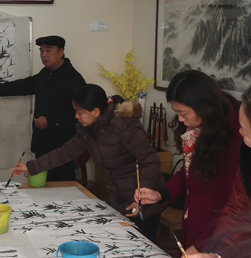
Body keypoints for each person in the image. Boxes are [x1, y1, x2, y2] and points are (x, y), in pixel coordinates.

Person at [14, 84, 166, 240]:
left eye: (80, 112)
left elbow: (151, 161)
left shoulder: (123, 125)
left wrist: (141, 199)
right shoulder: (88, 129)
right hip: (119, 198)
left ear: (96, 112)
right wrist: (30, 167)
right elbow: (63, 153)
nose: (76, 116)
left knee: (143, 245)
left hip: (144, 200)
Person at [135, 70, 241, 252]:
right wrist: (160, 194)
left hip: (219, 235)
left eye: (183, 113)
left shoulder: (235, 135)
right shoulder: (200, 124)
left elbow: (235, 204)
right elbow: (189, 172)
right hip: (196, 224)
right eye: (177, 112)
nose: (180, 119)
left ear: (204, 106)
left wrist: (202, 246)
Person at [178, 91, 251, 258]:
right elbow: (237, 210)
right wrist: (220, 256)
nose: (241, 133)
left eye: (245, 130)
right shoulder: (247, 157)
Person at [0, 35, 85, 181]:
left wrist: (51, 122)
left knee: (60, 188)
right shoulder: (46, 73)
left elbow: (79, 116)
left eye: (48, 50)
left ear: (61, 52)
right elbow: (27, 85)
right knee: (41, 186)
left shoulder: (74, 79)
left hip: (62, 149)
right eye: (41, 51)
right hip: (42, 145)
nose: (43, 55)